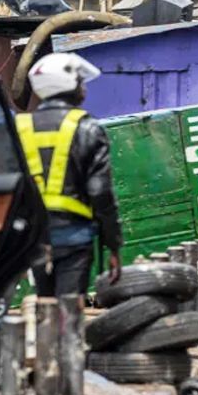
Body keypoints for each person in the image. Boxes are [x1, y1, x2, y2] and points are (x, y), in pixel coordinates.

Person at [19, 53, 122, 297]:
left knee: (45, 303)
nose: (83, 88)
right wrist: (113, 245)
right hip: (74, 236)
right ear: (66, 83)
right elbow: (100, 192)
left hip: (31, 237)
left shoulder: (19, 127)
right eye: (80, 81)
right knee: (69, 305)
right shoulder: (87, 127)